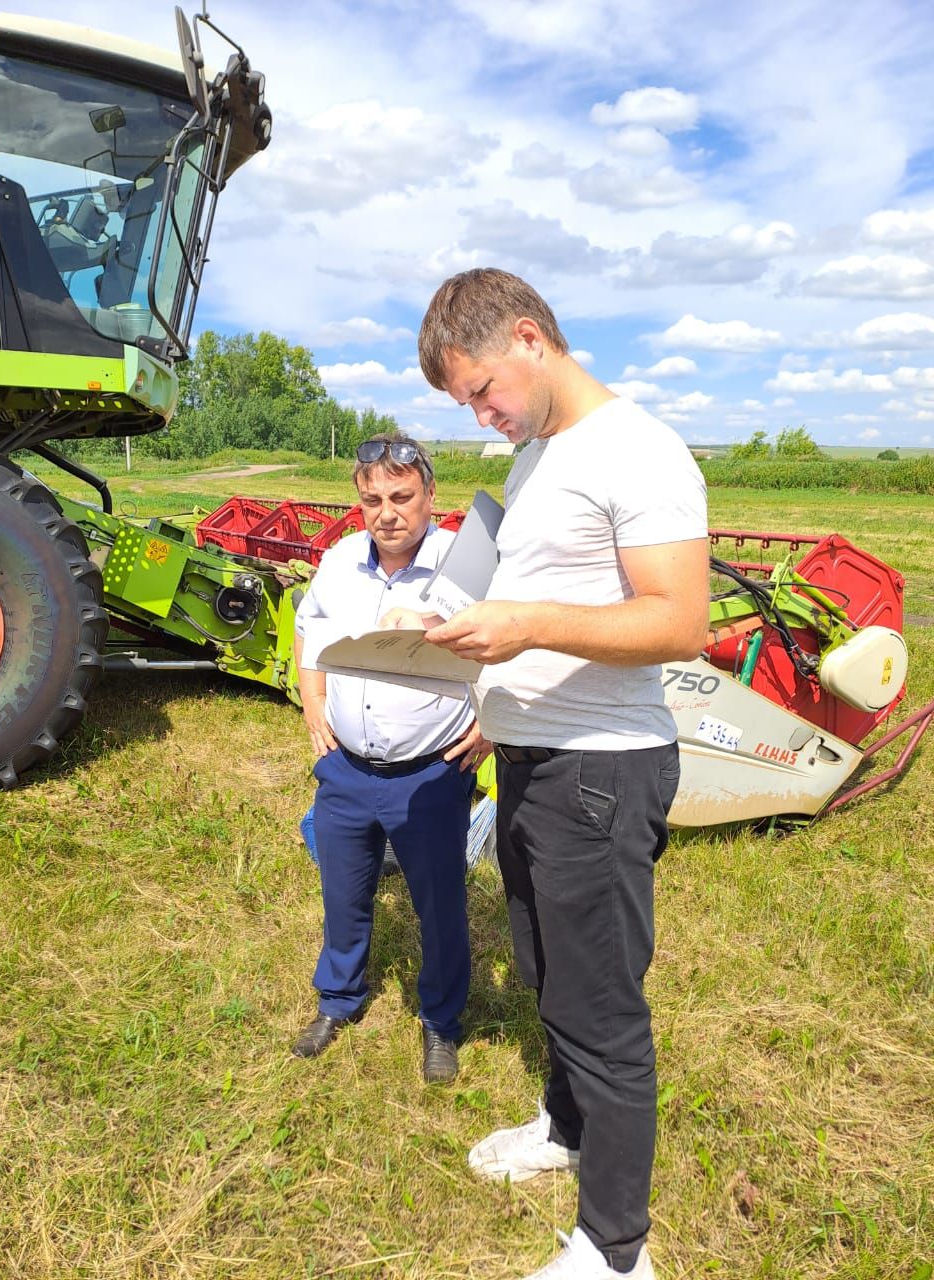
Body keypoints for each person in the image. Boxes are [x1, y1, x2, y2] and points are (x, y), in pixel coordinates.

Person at [404, 270, 709, 1277]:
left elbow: (678, 621)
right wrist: (488, 689)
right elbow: (544, 598)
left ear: (530, 338)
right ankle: (569, 1126)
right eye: (465, 403)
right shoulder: (538, 456)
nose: (481, 415)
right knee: (548, 976)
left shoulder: (639, 450)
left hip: (600, 773)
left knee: (602, 1006)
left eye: (482, 388)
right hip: (531, 760)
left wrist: (522, 624)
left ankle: (617, 1249)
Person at [292, 433, 491, 1083]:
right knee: (344, 895)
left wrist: (492, 722)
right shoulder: (341, 561)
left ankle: (440, 1023)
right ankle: (340, 1001)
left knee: (439, 907)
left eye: (402, 496)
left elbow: (511, 650)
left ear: (431, 495)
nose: (387, 512)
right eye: (372, 498)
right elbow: (309, 630)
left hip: (431, 774)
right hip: (347, 771)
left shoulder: (467, 566)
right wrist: (312, 700)